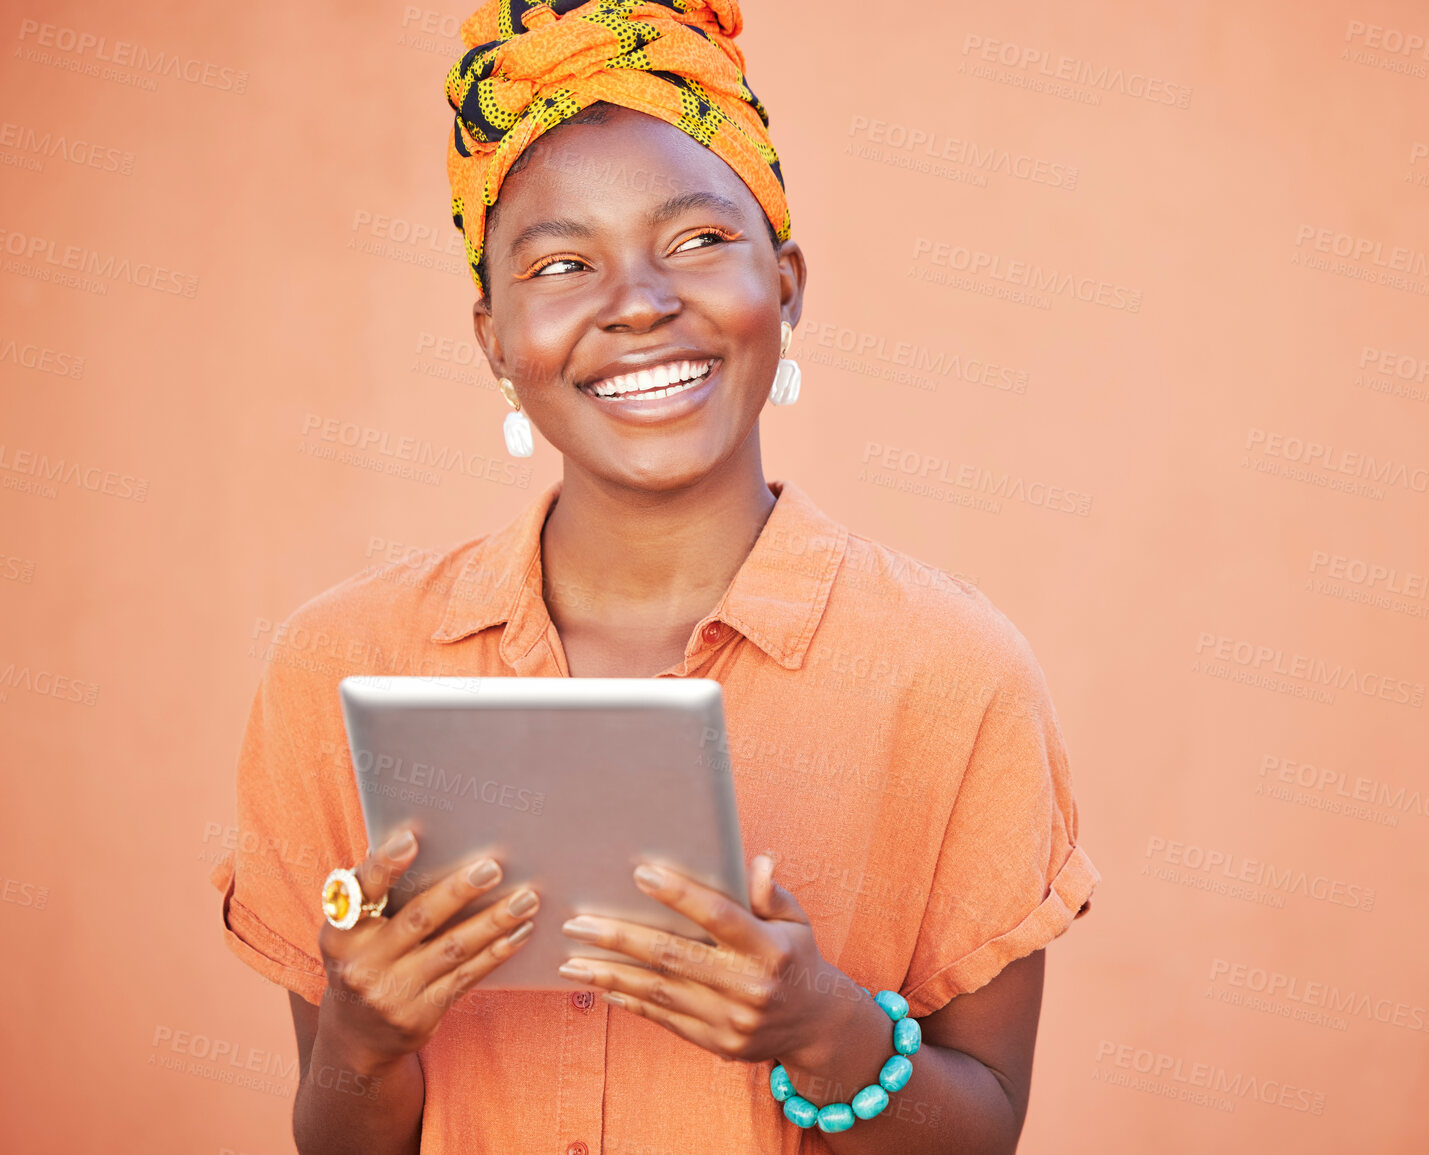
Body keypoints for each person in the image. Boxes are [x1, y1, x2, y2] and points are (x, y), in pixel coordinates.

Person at [211, 2, 1096, 1152]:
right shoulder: (337, 667)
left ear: (786, 283)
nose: (638, 302)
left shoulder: (956, 677)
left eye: (696, 243)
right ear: (491, 334)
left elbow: (983, 1133)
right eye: (564, 263)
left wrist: (823, 1029)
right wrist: (361, 1039)